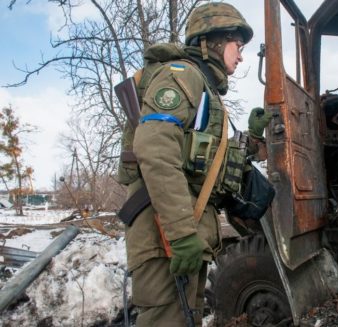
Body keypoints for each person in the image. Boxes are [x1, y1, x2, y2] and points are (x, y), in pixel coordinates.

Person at [124, 3, 271, 326]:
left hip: (183, 234)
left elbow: (206, 166)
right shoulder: (182, 77)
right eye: (238, 46)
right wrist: (180, 235)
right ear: (214, 42)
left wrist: (253, 136)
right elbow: (155, 148)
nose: (241, 56)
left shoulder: (204, 90)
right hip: (165, 235)